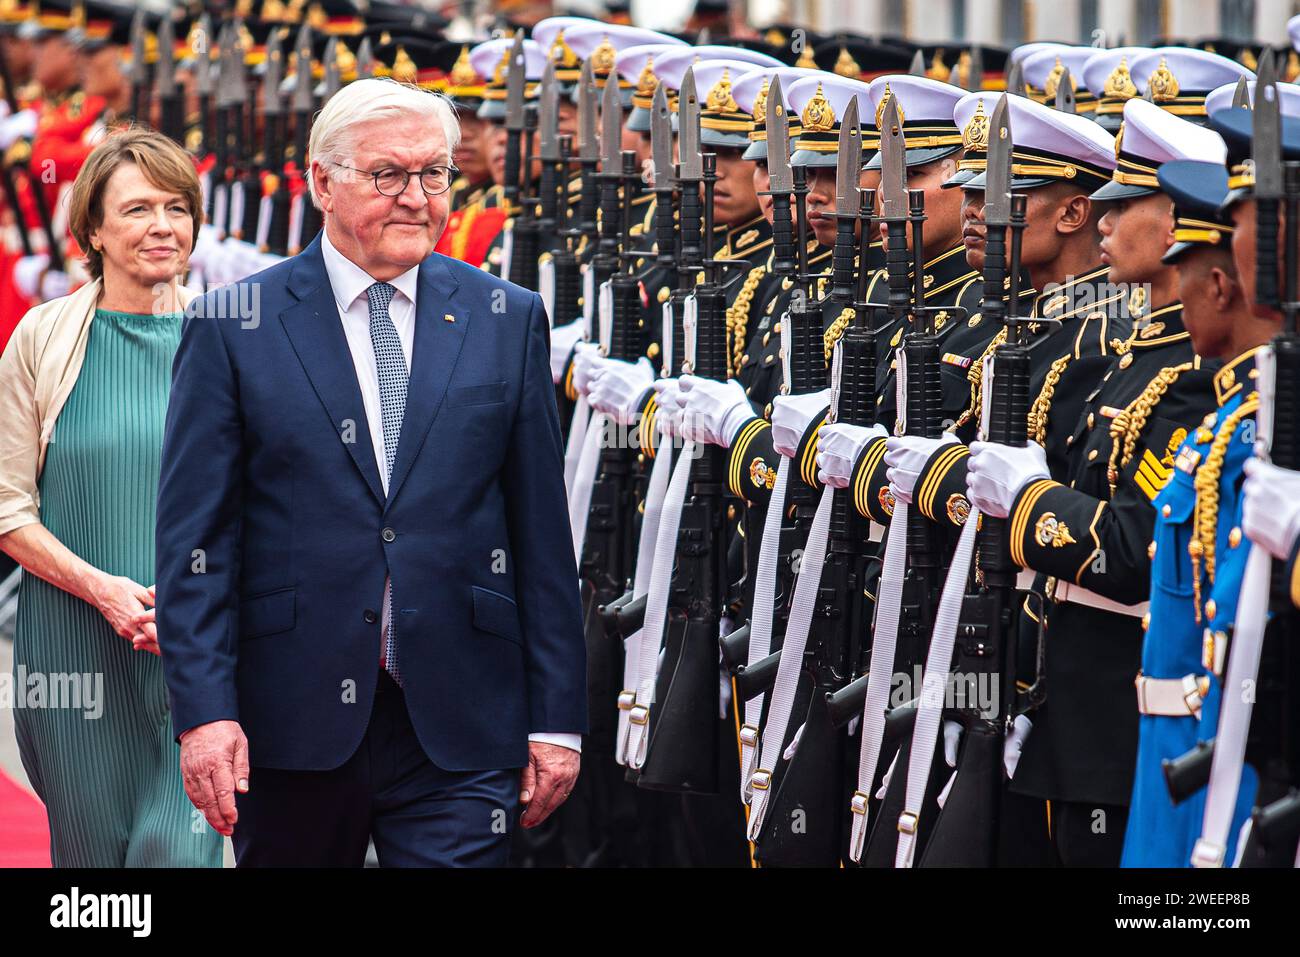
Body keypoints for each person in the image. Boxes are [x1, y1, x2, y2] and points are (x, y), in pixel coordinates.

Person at [155, 77, 587, 868]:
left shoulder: (507, 316)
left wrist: (556, 719)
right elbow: (197, 541)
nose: (416, 197)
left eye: (434, 174)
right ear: (322, 181)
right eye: (388, 174)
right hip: (290, 719)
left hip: (461, 722)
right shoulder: (233, 326)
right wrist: (206, 713)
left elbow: (541, 535)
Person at [0, 127, 221, 867]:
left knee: (180, 851)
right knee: (97, 868)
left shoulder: (227, 338)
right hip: (72, 650)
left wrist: (199, 605)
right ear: (91, 228)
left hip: (197, 646)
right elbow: (6, 505)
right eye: (136, 210)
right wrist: (102, 591)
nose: (162, 226)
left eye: (176, 207)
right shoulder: (44, 336)